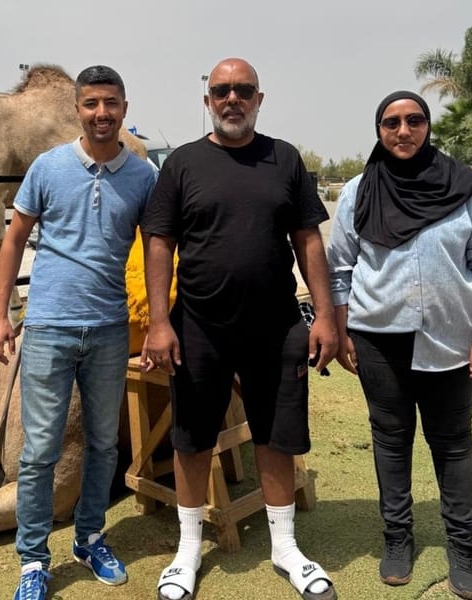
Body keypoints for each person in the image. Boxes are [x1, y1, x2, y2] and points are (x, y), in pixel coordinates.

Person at [142, 57, 339, 600]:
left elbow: (308, 241)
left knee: (277, 435)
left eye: (243, 90)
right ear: (207, 99)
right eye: (221, 90)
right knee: (192, 437)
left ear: (259, 98)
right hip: (197, 326)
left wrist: (324, 316)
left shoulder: (285, 159)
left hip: (274, 325)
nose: (233, 99)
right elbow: (159, 242)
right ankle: (187, 551)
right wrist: (160, 323)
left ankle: (285, 547)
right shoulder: (182, 163)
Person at [326, 90, 472, 600]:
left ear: (427, 127)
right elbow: (339, 269)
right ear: (378, 130)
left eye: (414, 121)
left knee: (452, 443)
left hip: (451, 339)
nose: (403, 131)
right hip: (378, 340)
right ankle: (397, 538)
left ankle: (463, 549)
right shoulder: (360, 192)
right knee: (390, 438)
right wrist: (340, 331)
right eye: (391, 122)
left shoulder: (465, 189)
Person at [0, 65, 157, 600]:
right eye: (91, 104)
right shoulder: (47, 167)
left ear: (124, 109)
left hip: (110, 329)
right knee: (40, 450)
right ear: (77, 110)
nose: (101, 113)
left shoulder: (143, 177)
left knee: (104, 445)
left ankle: (89, 538)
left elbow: (154, 251)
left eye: (111, 103)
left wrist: (158, 322)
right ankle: (34, 559)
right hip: (48, 326)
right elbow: (14, 241)